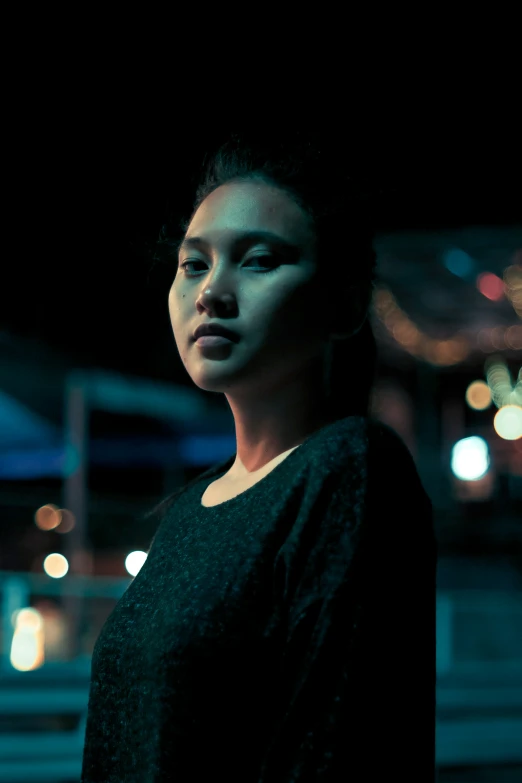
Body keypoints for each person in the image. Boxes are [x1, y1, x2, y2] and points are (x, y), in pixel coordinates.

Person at [81, 133, 437, 781]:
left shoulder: (346, 467)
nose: (212, 291)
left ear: (346, 303)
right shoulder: (189, 509)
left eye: (259, 259)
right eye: (193, 264)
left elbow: (339, 747)